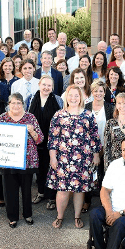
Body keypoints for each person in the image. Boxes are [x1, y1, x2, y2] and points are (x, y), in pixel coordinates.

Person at [48, 85, 101, 229]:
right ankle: (60, 216)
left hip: (83, 158)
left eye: (76, 95)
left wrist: (96, 155)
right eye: (71, 95)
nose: (73, 98)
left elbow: (95, 137)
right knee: (62, 190)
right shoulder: (59, 115)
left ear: (81, 97)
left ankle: (77, 217)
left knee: (79, 190)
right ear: (66, 97)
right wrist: (53, 157)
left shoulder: (88, 115)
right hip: (63, 159)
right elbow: (53, 138)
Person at [0, 93, 44, 228]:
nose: (16, 105)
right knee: (9, 190)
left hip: (27, 160)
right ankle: (12, 217)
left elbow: (40, 139)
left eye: (19, 103)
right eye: (13, 103)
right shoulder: (2, 118)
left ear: (23, 104)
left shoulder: (30, 118)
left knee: (26, 189)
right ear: (8, 104)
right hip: (8, 160)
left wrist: (32, 132)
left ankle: (27, 214)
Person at [28, 75, 63, 210]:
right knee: (39, 169)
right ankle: (41, 192)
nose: (46, 87)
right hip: (36, 140)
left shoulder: (58, 100)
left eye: (49, 85)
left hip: (52, 140)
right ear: (39, 85)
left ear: (52, 87)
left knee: (51, 168)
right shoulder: (31, 98)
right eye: (44, 85)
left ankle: (51, 197)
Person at [83, 80, 113, 213]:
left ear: (104, 92)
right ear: (92, 92)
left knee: (104, 174)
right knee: (89, 174)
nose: (98, 93)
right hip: (88, 147)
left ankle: (103, 202)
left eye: (101, 91)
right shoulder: (86, 107)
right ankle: (87, 200)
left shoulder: (110, 108)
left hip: (105, 146)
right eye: (95, 91)